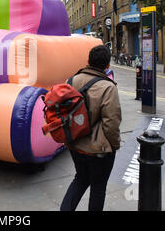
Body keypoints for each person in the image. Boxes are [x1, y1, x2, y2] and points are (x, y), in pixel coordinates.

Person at [60, 45, 122, 211]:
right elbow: (111, 123)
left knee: (80, 179)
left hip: (75, 144)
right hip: (98, 151)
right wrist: (115, 145)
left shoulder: (71, 80)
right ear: (108, 65)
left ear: (88, 61)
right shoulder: (108, 87)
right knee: (98, 187)